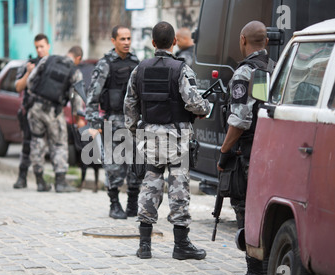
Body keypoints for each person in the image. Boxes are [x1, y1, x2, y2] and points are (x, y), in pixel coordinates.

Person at [124, 21, 211, 260]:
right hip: (176, 137)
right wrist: (206, 107)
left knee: (150, 184)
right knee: (178, 188)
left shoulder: (139, 69)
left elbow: (129, 105)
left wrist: (135, 131)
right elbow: (194, 103)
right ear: (174, 42)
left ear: (153, 43)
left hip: (149, 136)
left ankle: (144, 246)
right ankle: (181, 245)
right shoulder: (181, 69)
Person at [217, 21, 275, 275]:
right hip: (273, 149)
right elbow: (262, 106)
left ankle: (255, 274)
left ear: (243, 40)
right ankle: (267, 271)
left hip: (250, 152)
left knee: (246, 208)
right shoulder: (273, 67)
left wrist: (225, 151)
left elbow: (240, 120)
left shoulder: (245, 72)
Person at [86, 25, 141, 220]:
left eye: (128, 39)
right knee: (114, 165)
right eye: (122, 39)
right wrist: (93, 125)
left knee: (136, 165)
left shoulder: (137, 62)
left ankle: (132, 204)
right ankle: (114, 204)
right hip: (113, 120)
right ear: (113, 41)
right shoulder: (105, 64)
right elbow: (92, 97)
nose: (126, 42)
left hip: (135, 122)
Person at [26, 45, 84, 193]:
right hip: (54, 112)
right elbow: (77, 99)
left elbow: (31, 81)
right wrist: (78, 118)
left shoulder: (48, 60)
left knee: (37, 141)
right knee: (59, 144)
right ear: (78, 58)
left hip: (36, 107)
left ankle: (39, 181)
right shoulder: (75, 71)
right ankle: (60, 181)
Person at [13, 34, 50, 189]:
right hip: (30, 111)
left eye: (42, 46)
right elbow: (18, 87)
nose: (39, 50)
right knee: (29, 145)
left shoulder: (54, 64)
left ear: (48, 46)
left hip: (50, 112)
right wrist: (29, 72)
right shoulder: (29, 64)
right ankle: (23, 177)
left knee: (52, 146)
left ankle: (56, 179)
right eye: (37, 47)